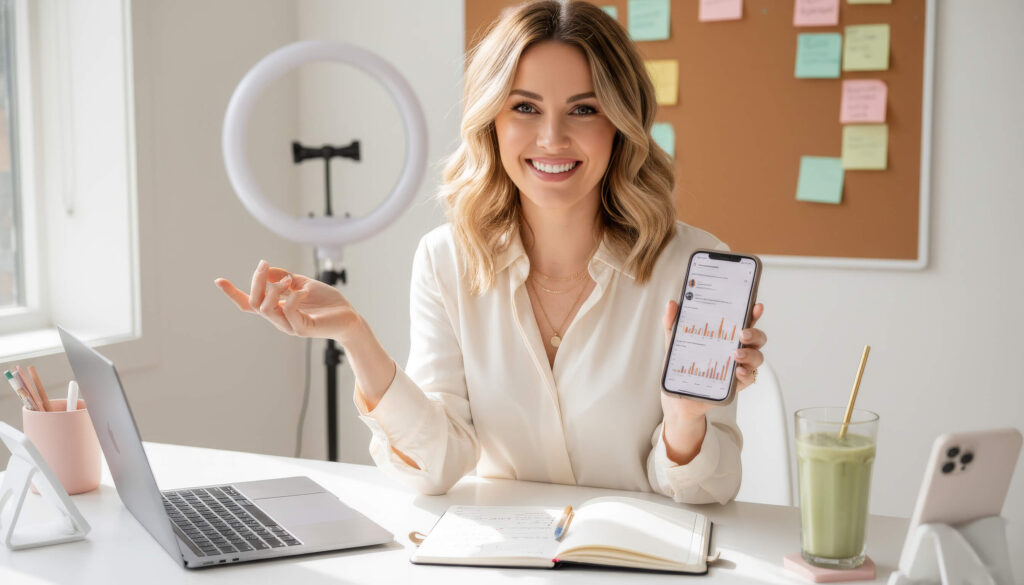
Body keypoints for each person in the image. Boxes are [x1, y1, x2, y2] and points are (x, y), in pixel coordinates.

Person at [215, 0, 767, 504]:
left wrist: (685, 416)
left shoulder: (693, 267)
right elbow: (434, 467)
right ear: (491, 122)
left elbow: (706, 490)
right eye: (525, 107)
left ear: (622, 124)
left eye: (584, 110)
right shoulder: (445, 261)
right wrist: (356, 337)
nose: (552, 138)